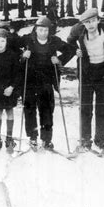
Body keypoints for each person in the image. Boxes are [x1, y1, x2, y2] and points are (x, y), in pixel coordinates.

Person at [67, 8, 104, 150]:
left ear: (98, 20)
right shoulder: (77, 30)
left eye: (92, 21)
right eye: (86, 22)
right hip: (86, 72)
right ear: (83, 23)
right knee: (85, 107)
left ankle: (100, 139)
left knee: (103, 107)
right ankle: (85, 138)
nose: (90, 24)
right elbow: (69, 42)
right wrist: (74, 51)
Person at [21, 17, 75, 149]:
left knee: (47, 109)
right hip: (30, 80)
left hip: (46, 79)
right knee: (29, 108)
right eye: (40, 30)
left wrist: (59, 59)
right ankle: (32, 137)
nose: (43, 33)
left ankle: (46, 139)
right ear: (36, 29)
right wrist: (23, 55)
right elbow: (10, 45)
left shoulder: (53, 41)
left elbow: (70, 50)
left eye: (46, 30)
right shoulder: (28, 39)